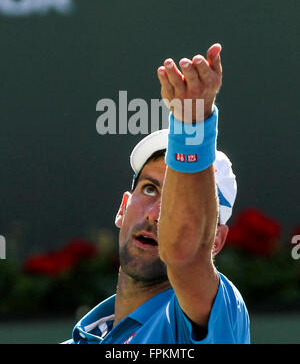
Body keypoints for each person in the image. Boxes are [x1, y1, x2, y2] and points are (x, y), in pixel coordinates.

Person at [64, 43, 250, 344]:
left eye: (180, 201)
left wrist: (192, 122)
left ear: (214, 240)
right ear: (124, 206)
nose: (157, 215)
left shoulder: (223, 312)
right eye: (150, 189)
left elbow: (183, 252)